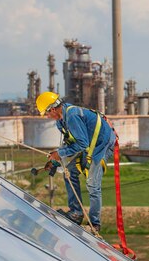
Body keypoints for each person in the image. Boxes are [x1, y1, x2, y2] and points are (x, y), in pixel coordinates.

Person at [36, 91, 115, 232]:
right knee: (69, 172)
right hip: (89, 143)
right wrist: (55, 161)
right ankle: (76, 213)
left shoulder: (72, 116)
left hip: (102, 144)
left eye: (47, 113)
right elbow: (70, 143)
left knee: (92, 184)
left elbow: (82, 144)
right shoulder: (61, 121)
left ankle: (95, 224)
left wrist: (59, 154)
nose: (47, 117)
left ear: (52, 109)